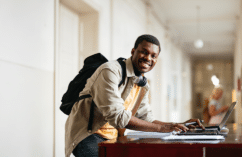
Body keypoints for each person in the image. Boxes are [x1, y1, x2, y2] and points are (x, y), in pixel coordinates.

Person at [64, 34, 204, 157]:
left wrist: (176, 125)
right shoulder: (110, 71)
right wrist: (163, 128)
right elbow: (118, 117)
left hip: (113, 136)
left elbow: (146, 118)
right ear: (133, 51)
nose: (148, 58)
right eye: (144, 52)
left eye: (153, 56)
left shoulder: (142, 84)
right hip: (88, 135)